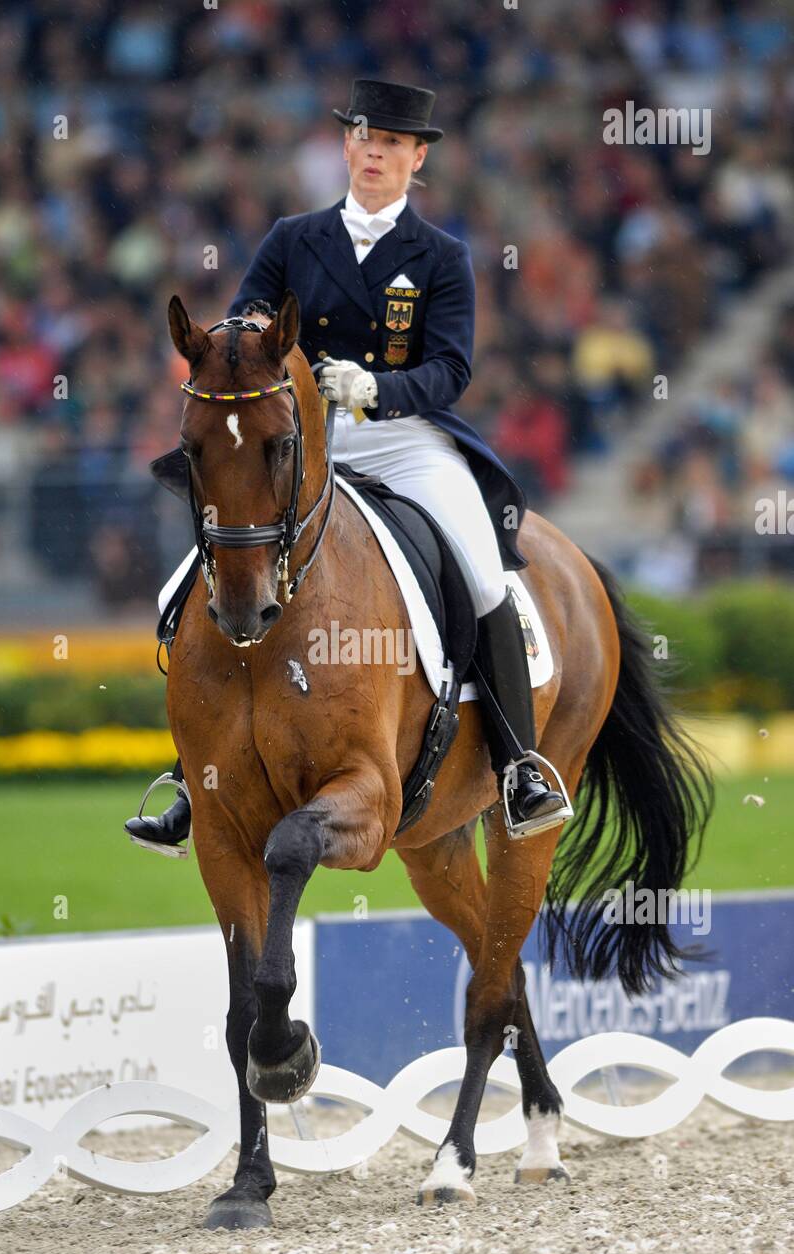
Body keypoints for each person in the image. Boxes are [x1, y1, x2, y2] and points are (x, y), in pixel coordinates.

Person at [126, 79, 570, 852]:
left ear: (416, 157)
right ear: (345, 145)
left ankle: (518, 765)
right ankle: (192, 779)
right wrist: (262, 344)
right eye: (365, 137)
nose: (375, 152)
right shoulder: (293, 237)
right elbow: (242, 326)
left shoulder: (441, 256)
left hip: (403, 437)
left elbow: (451, 370)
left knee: (481, 569)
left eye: (393, 143)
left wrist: (377, 388)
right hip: (301, 438)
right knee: (197, 577)